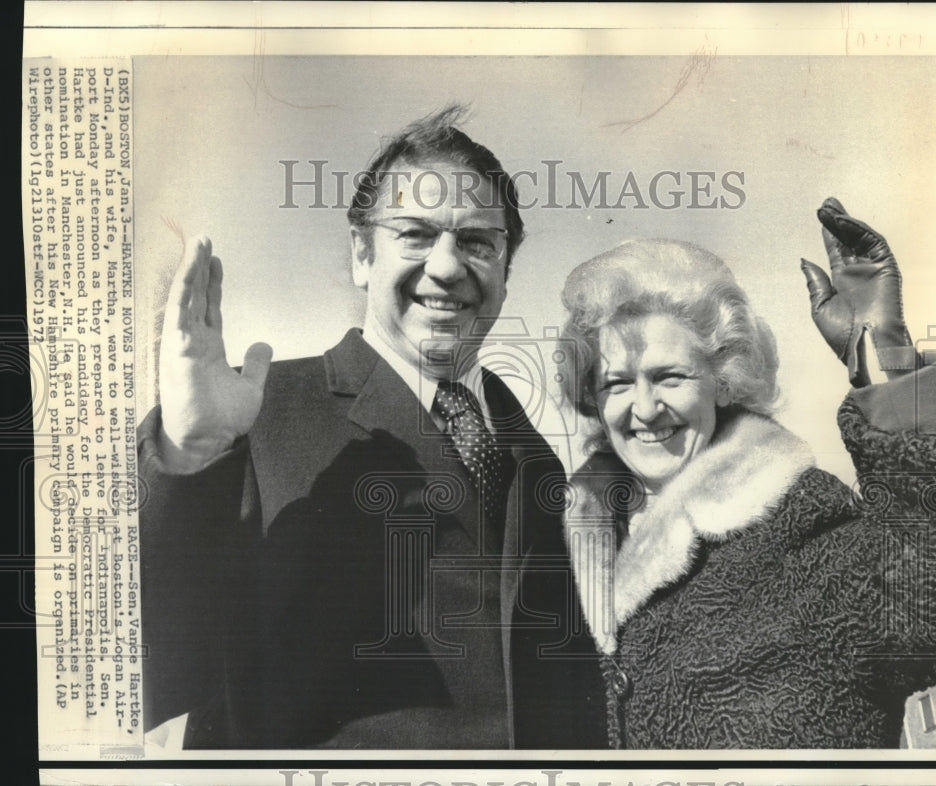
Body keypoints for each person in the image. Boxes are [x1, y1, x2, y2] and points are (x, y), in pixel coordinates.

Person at [138, 107, 607, 749]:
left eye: (477, 242)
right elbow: (151, 668)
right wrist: (189, 458)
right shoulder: (258, 414)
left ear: (505, 270)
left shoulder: (534, 455)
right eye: (414, 234)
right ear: (362, 253)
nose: (446, 267)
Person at [558, 198, 936, 748]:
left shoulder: (803, 528)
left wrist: (889, 350)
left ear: (723, 379)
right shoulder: (558, 551)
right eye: (616, 383)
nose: (644, 407)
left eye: (670, 377)